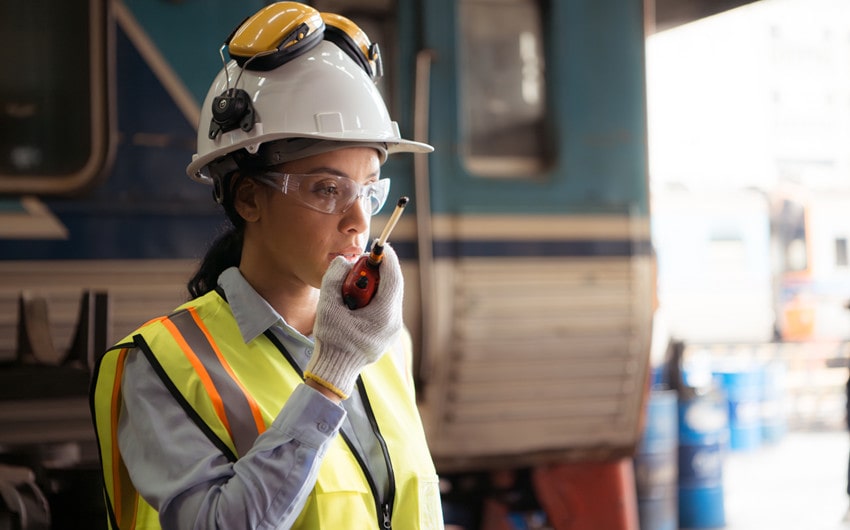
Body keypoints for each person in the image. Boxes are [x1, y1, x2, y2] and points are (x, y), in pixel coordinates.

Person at [90, 3, 444, 528]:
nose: (357, 220)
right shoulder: (164, 365)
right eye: (328, 189)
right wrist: (329, 377)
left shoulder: (387, 342)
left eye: (370, 191)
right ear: (249, 198)